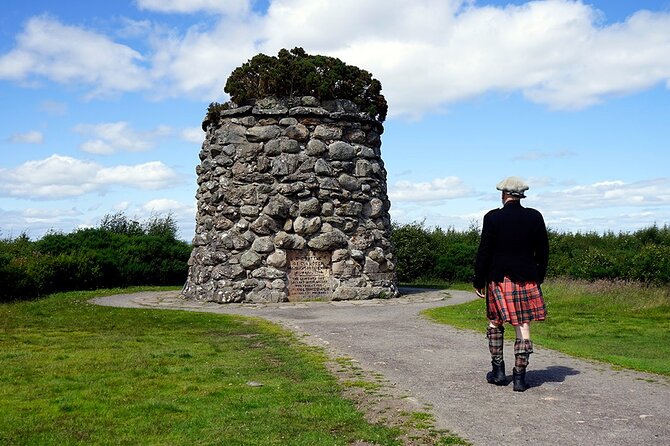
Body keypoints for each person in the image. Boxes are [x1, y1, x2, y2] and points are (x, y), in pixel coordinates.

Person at [473, 176, 549, 392]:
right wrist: (538, 276)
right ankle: (519, 378)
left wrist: (478, 280)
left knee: (495, 322)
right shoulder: (534, 217)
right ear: (521, 195)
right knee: (523, 327)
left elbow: (484, 252)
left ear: (503, 194)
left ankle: (498, 372)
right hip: (527, 280)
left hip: (499, 280)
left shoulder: (493, 218)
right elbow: (543, 251)